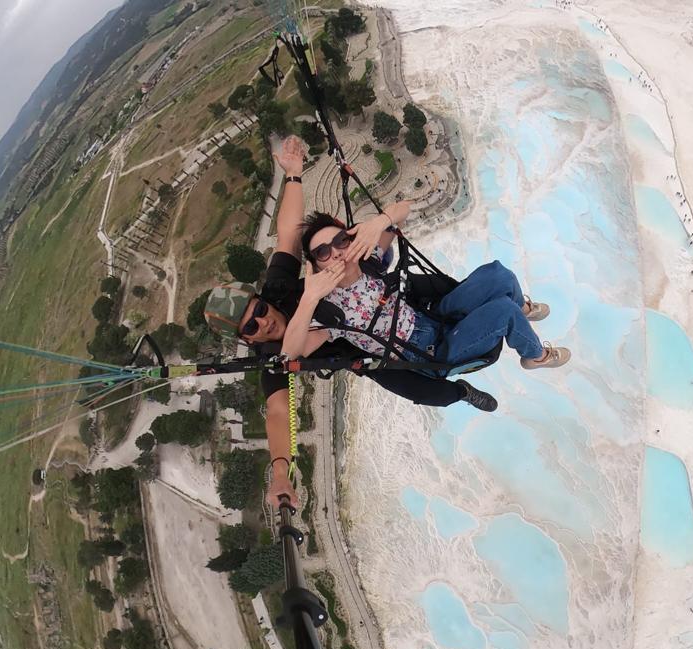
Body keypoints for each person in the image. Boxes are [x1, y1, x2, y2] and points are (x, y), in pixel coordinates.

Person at [203, 137, 496, 508]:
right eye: (249, 328)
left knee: (437, 289)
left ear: (260, 300)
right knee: (425, 392)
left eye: (257, 311)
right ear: (245, 339)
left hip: (372, 296)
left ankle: (500, 302)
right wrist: (281, 474)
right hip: (362, 349)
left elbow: (290, 234)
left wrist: (294, 175)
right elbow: (278, 413)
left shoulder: (278, 289)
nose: (260, 323)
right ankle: (463, 393)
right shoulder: (270, 357)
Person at [280, 210, 571, 373]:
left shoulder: (370, 262)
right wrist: (310, 296)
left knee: (499, 275)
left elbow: (403, 210)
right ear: (315, 265)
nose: (336, 253)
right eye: (322, 252)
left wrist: (376, 225)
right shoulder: (329, 313)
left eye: (341, 241)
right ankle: (534, 355)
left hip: (431, 318)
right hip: (430, 353)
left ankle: (521, 311)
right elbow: (291, 354)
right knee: (502, 311)